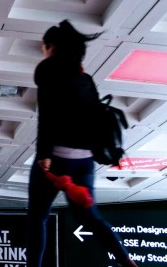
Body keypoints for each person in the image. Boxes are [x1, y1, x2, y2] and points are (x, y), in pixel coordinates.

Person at [26, 20, 137, 267]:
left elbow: (47, 115)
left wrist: (44, 154)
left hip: (57, 158)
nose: (43, 51)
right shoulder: (84, 77)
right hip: (84, 161)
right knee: (90, 217)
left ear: (51, 46)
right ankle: (127, 261)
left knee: (37, 218)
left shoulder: (48, 70)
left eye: (44, 46)